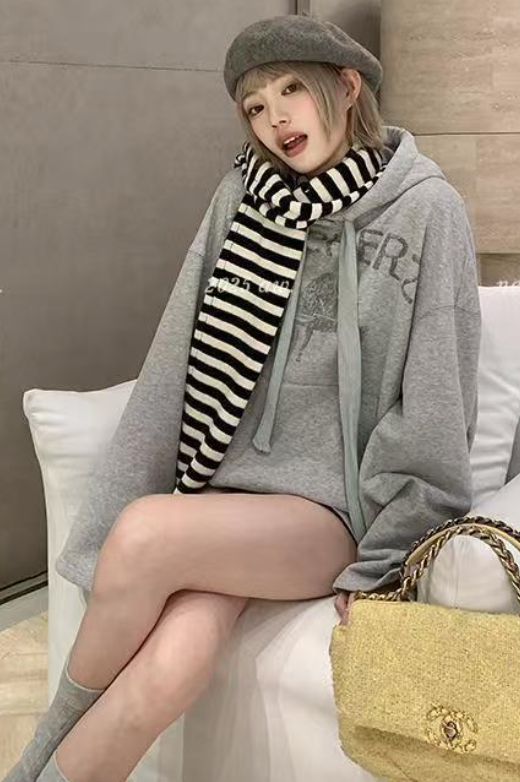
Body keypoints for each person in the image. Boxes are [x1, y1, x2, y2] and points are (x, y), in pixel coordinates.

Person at [4, 13, 481, 782]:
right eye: (256, 106)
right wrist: (133, 483)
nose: (275, 118)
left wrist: (387, 560)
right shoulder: (243, 197)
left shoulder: (427, 210)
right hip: (227, 492)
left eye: (292, 90)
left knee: (145, 534)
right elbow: (178, 353)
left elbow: (436, 400)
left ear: (347, 86)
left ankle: (31, 757)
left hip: (334, 512)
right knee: (170, 664)